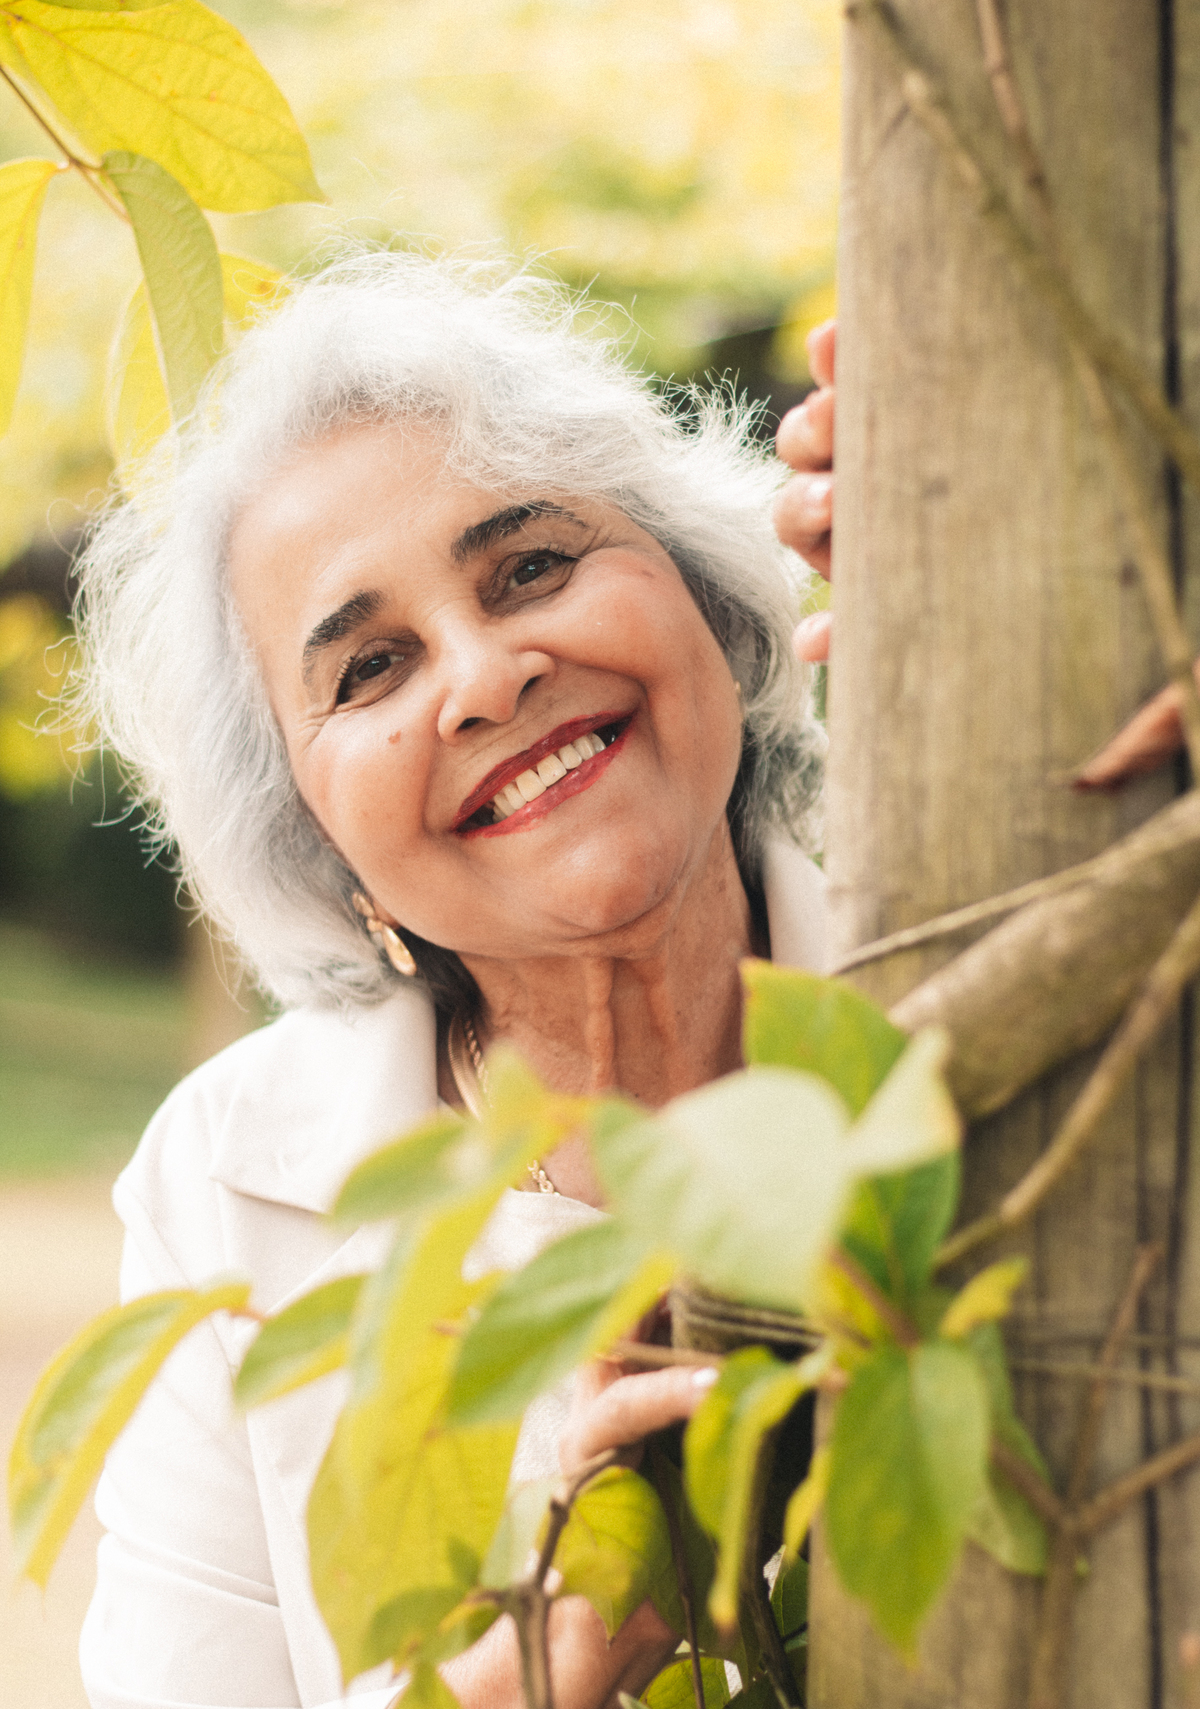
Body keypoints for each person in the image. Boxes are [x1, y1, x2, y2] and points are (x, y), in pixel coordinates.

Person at [73, 253, 837, 1709]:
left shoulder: (976, 976)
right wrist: (553, 1654)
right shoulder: (227, 1193)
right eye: (368, 671)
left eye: (533, 566)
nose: (485, 678)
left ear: (713, 613)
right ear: (319, 840)